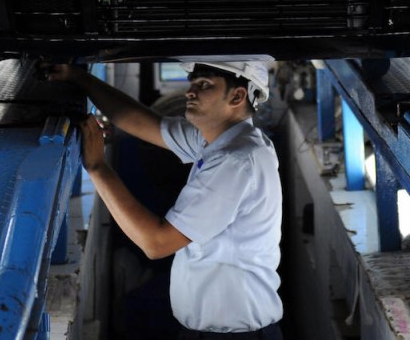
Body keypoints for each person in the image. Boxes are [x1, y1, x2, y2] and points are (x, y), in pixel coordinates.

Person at [52, 60, 283, 339]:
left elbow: (156, 243)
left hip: (233, 335)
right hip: (210, 330)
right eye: (193, 83)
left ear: (237, 96)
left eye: (205, 85)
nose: (190, 92)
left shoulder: (235, 160)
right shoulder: (215, 140)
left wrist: (97, 167)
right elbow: (138, 120)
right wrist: (78, 77)